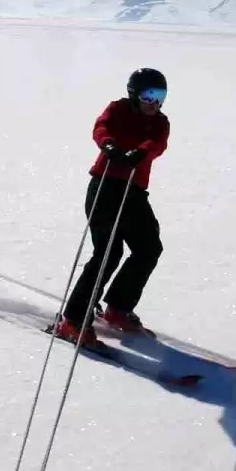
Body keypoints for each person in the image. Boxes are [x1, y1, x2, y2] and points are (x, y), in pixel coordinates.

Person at [55, 68, 171, 347]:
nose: (154, 102)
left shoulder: (161, 122)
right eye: (148, 95)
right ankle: (73, 320)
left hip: (133, 192)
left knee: (149, 248)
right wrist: (108, 146)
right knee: (108, 252)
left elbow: (157, 143)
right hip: (105, 186)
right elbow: (101, 127)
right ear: (134, 94)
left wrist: (140, 152)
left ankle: (118, 308)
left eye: (160, 96)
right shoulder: (118, 109)